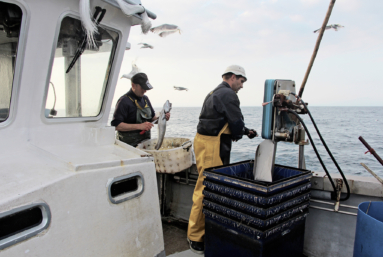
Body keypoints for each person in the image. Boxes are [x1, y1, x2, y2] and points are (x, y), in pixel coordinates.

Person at [187, 65, 257, 254]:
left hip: (204, 141)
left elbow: (221, 120)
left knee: (206, 185)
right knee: (206, 188)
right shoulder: (228, 94)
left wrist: (243, 131)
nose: (242, 86)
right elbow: (235, 121)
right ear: (233, 77)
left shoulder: (214, 92)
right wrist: (239, 131)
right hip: (212, 145)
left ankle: (202, 231)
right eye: (241, 81)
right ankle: (195, 236)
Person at [111, 72, 170, 147]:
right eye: (142, 87)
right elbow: (116, 125)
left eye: (146, 88)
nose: (145, 91)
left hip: (145, 145)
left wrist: (163, 118)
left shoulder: (145, 99)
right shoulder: (124, 101)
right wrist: (139, 126)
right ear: (133, 85)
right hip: (127, 147)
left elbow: (152, 119)